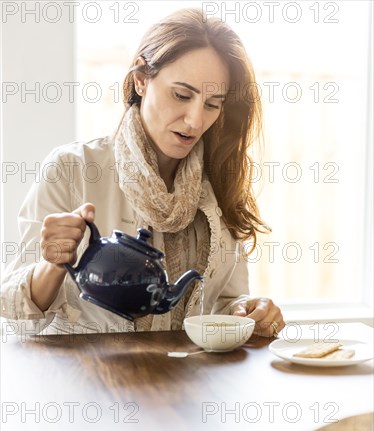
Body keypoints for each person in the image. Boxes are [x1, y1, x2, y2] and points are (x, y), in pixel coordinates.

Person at [0, 7, 285, 337]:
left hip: (188, 384)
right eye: (181, 95)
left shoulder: (219, 180)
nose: (195, 120)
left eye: (212, 104)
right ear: (141, 79)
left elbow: (225, 302)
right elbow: (15, 317)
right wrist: (52, 264)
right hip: (87, 382)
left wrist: (252, 311)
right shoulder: (71, 169)